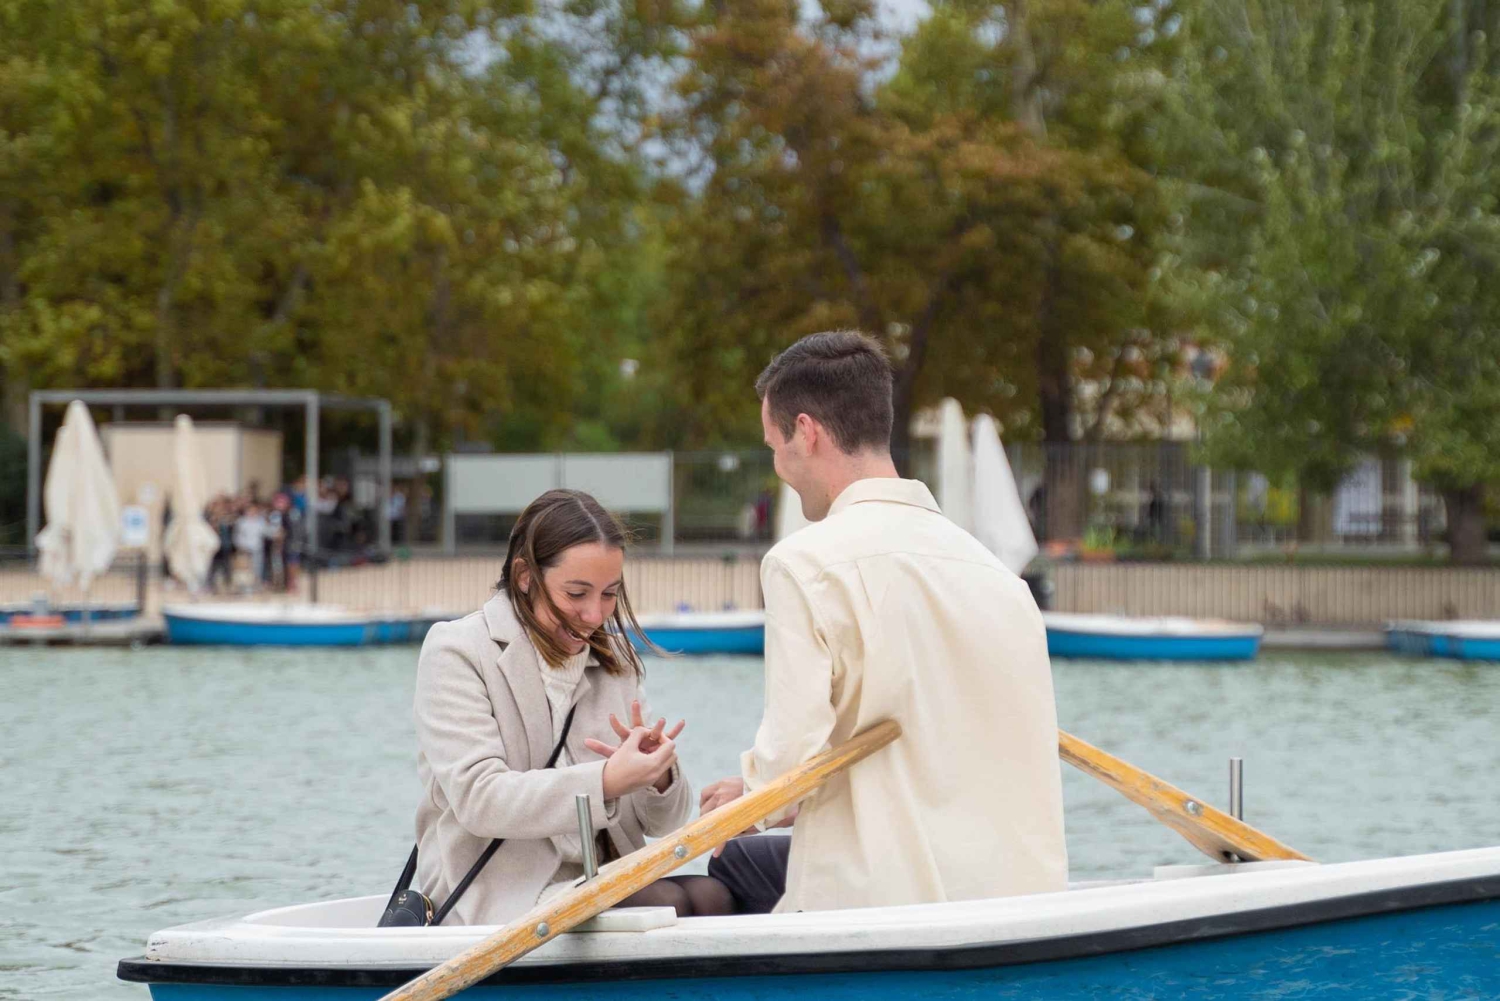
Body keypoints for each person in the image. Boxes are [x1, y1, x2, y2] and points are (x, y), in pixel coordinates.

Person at [700, 330, 1068, 914]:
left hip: (879, 895)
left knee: (723, 865)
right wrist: (761, 791)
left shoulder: (804, 564)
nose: (780, 467)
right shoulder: (1001, 580)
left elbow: (789, 760)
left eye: (775, 446)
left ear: (807, 431)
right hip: (1015, 898)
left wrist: (752, 795)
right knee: (746, 863)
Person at [411, 489, 733, 924]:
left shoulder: (615, 661)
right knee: (673, 904)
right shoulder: (458, 650)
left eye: (609, 594)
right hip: (497, 887)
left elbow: (664, 824)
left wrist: (658, 777)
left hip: (603, 873)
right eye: (577, 593)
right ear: (525, 576)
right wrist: (604, 781)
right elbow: (479, 799)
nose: (595, 614)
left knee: (716, 895)